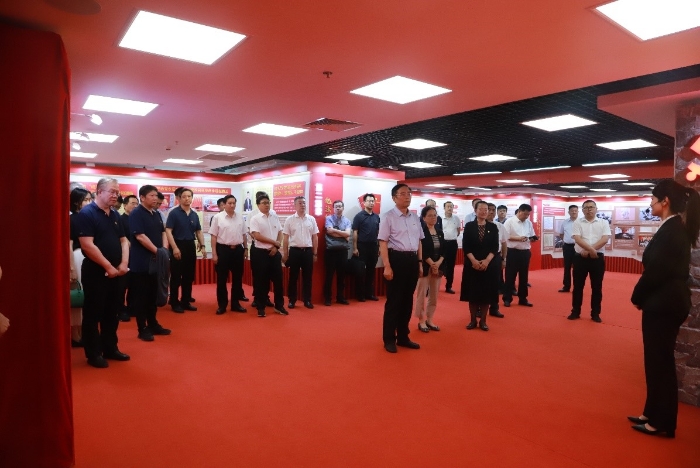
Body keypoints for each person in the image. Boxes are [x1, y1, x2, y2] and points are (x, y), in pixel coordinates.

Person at [628, 180, 700, 438]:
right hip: (663, 303)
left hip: (664, 304)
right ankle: (652, 412)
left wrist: (637, 296)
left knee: (660, 362)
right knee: (655, 361)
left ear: (665, 201)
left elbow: (656, 271)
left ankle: (663, 421)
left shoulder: (673, 230)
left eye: (653, 199)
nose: (651, 204)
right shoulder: (672, 227)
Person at [75, 178, 130, 368]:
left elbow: (124, 241)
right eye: (112, 191)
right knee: (93, 313)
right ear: (99, 192)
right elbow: (87, 245)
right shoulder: (87, 213)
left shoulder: (115, 214)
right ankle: (93, 353)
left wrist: (123, 263)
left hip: (118, 271)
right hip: (95, 272)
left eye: (117, 192)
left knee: (112, 312)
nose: (116, 195)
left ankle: (110, 348)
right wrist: (108, 267)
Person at [378, 184, 423, 353]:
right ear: (394, 198)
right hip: (396, 260)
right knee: (394, 302)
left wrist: (419, 263)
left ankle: (403, 336)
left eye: (409, 193)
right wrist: (387, 266)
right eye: (403, 194)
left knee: (407, 301)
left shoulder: (415, 217)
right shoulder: (388, 217)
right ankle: (389, 338)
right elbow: (383, 242)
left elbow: (419, 241)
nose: (407, 196)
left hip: (412, 261)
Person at [128, 185, 172, 341]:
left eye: (156, 195)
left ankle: (153, 324)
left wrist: (164, 249)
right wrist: (157, 251)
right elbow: (140, 236)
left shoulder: (156, 214)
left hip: (156, 261)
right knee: (142, 297)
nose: (155, 198)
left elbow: (163, 232)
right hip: (141, 263)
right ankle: (142, 328)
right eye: (152, 195)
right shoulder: (136, 213)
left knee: (153, 295)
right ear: (142, 197)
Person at [567, 200, 610, 323]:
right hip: (580, 258)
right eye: (586, 207)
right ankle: (575, 311)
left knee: (597, 287)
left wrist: (590, 250)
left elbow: (605, 239)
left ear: (596, 209)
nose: (589, 209)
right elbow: (577, 238)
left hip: (597, 258)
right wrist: (590, 250)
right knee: (577, 287)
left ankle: (595, 313)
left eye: (591, 207)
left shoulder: (603, 222)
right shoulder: (577, 222)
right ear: (582, 210)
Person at [460, 201, 499, 331]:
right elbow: (466, 246)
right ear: (475, 211)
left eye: (486, 209)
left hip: (488, 265)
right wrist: (474, 261)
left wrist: (486, 261)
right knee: (472, 293)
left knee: (486, 294)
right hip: (472, 264)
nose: (484, 211)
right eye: (481, 209)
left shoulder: (493, 227)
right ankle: (472, 320)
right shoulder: (469, 226)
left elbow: (495, 247)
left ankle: (483, 321)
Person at [165, 188, 205, 313]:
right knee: (176, 276)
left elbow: (198, 231)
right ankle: (174, 302)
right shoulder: (174, 213)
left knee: (189, 276)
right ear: (179, 198)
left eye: (189, 196)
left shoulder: (194, 214)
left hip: (190, 246)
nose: (187, 198)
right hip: (177, 244)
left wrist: (203, 245)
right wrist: (174, 248)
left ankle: (185, 301)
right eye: (184, 196)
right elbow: (168, 231)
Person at [249, 194, 287, 317]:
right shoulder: (255, 219)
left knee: (278, 281)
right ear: (258, 205)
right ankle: (261, 307)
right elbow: (257, 236)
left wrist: (276, 246)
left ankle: (279, 306)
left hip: (274, 253)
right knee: (261, 281)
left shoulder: (274, 217)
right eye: (264, 203)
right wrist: (274, 242)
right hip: (260, 253)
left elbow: (280, 232)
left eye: (268, 202)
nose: (267, 205)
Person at [210, 194, 248, 315]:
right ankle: (222, 305)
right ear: (224, 204)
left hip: (237, 250)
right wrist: (214, 253)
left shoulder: (240, 217)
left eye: (234, 203)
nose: (232, 205)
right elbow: (213, 236)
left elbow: (244, 234)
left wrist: (246, 248)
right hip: (223, 250)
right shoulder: (217, 217)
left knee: (237, 279)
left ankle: (235, 304)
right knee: (222, 279)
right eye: (229, 203)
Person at [282, 196, 319, 309]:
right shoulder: (290, 220)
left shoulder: (311, 219)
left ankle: (307, 300)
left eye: (304, 203)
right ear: (295, 205)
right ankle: (292, 300)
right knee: (293, 277)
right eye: (300, 203)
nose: (303, 205)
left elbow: (315, 237)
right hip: (294, 252)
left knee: (307, 277)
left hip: (307, 252)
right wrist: (285, 254)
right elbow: (285, 238)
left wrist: (315, 253)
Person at [69, 187, 93, 347]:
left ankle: (85, 331)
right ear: (77, 202)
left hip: (91, 258)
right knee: (78, 294)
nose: (89, 202)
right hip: (77, 257)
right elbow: (69, 245)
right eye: (86, 200)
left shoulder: (90, 217)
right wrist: (71, 268)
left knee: (89, 296)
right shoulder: (72, 219)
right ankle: (75, 334)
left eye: (90, 199)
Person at [414, 206, 444, 333]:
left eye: (435, 215)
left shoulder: (440, 231)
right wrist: (432, 264)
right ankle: (421, 320)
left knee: (434, 295)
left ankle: (430, 319)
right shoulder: (421, 232)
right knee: (421, 295)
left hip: (438, 267)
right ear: (424, 218)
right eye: (430, 215)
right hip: (425, 267)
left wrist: (438, 263)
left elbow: (443, 250)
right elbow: (422, 251)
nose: (433, 217)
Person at [502, 203, 536, 307]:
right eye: (525, 214)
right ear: (519, 211)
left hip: (525, 252)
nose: (526, 216)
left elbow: (531, 235)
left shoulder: (528, 223)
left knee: (524, 277)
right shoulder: (510, 221)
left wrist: (533, 238)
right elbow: (505, 236)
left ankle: (523, 298)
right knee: (510, 276)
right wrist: (519, 238)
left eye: (528, 214)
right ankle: (507, 298)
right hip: (512, 252)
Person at [352, 193, 380, 302]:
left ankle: (369, 293)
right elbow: (355, 232)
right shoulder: (359, 216)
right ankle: (360, 294)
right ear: (364, 203)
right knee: (360, 271)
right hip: (362, 246)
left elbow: (378, 233)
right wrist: (355, 248)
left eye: (373, 201)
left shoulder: (376, 217)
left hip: (373, 246)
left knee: (371, 271)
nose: (371, 203)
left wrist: (379, 247)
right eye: (369, 201)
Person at [323, 200, 351, 306]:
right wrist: (343, 235)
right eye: (336, 207)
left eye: (340, 206)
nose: (338, 208)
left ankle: (340, 297)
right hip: (331, 251)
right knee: (329, 275)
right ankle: (327, 298)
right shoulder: (329, 218)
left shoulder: (347, 221)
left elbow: (348, 234)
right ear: (333, 208)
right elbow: (329, 231)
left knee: (341, 275)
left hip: (343, 251)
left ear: (343, 208)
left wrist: (335, 231)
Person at [117, 194, 139, 322]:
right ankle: (120, 310)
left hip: (137, 257)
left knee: (134, 285)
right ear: (125, 205)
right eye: (132, 203)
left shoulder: (138, 219)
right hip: (124, 257)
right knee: (121, 286)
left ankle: (132, 307)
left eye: (137, 204)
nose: (135, 206)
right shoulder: (120, 219)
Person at [486, 203, 506, 318]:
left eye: (493, 210)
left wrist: (503, 259)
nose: (491, 212)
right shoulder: (477, 225)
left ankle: (494, 308)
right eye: (489, 210)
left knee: (495, 284)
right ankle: (479, 308)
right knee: (482, 284)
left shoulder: (499, 226)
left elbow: (504, 243)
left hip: (496, 258)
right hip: (481, 258)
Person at [441, 201, 461, 294]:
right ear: (444, 208)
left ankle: (448, 286)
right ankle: (433, 286)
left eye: (451, 207)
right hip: (442, 244)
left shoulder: (456, 218)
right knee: (439, 264)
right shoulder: (440, 218)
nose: (450, 208)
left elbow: (458, 231)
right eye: (448, 206)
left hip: (452, 244)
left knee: (451, 265)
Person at [558, 205, 579, 293]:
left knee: (577, 268)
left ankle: (577, 287)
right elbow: (561, 234)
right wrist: (566, 240)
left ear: (578, 212)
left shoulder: (581, 222)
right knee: (567, 267)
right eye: (572, 211)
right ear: (569, 212)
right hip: (567, 247)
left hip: (578, 247)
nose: (574, 212)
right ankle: (566, 286)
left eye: (575, 211)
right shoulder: (565, 222)